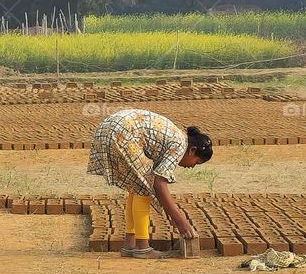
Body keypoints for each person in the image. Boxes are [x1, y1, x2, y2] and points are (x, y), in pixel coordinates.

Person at [87, 108, 213, 259]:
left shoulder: (176, 137)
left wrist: (170, 212)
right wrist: (180, 222)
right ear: (192, 150)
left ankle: (129, 245)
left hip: (107, 128)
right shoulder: (180, 145)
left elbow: (158, 185)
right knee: (144, 188)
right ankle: (142, 248)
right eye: (196, 162)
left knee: (136, 187)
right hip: (123, 131)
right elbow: (159, 184)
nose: (192, 167)